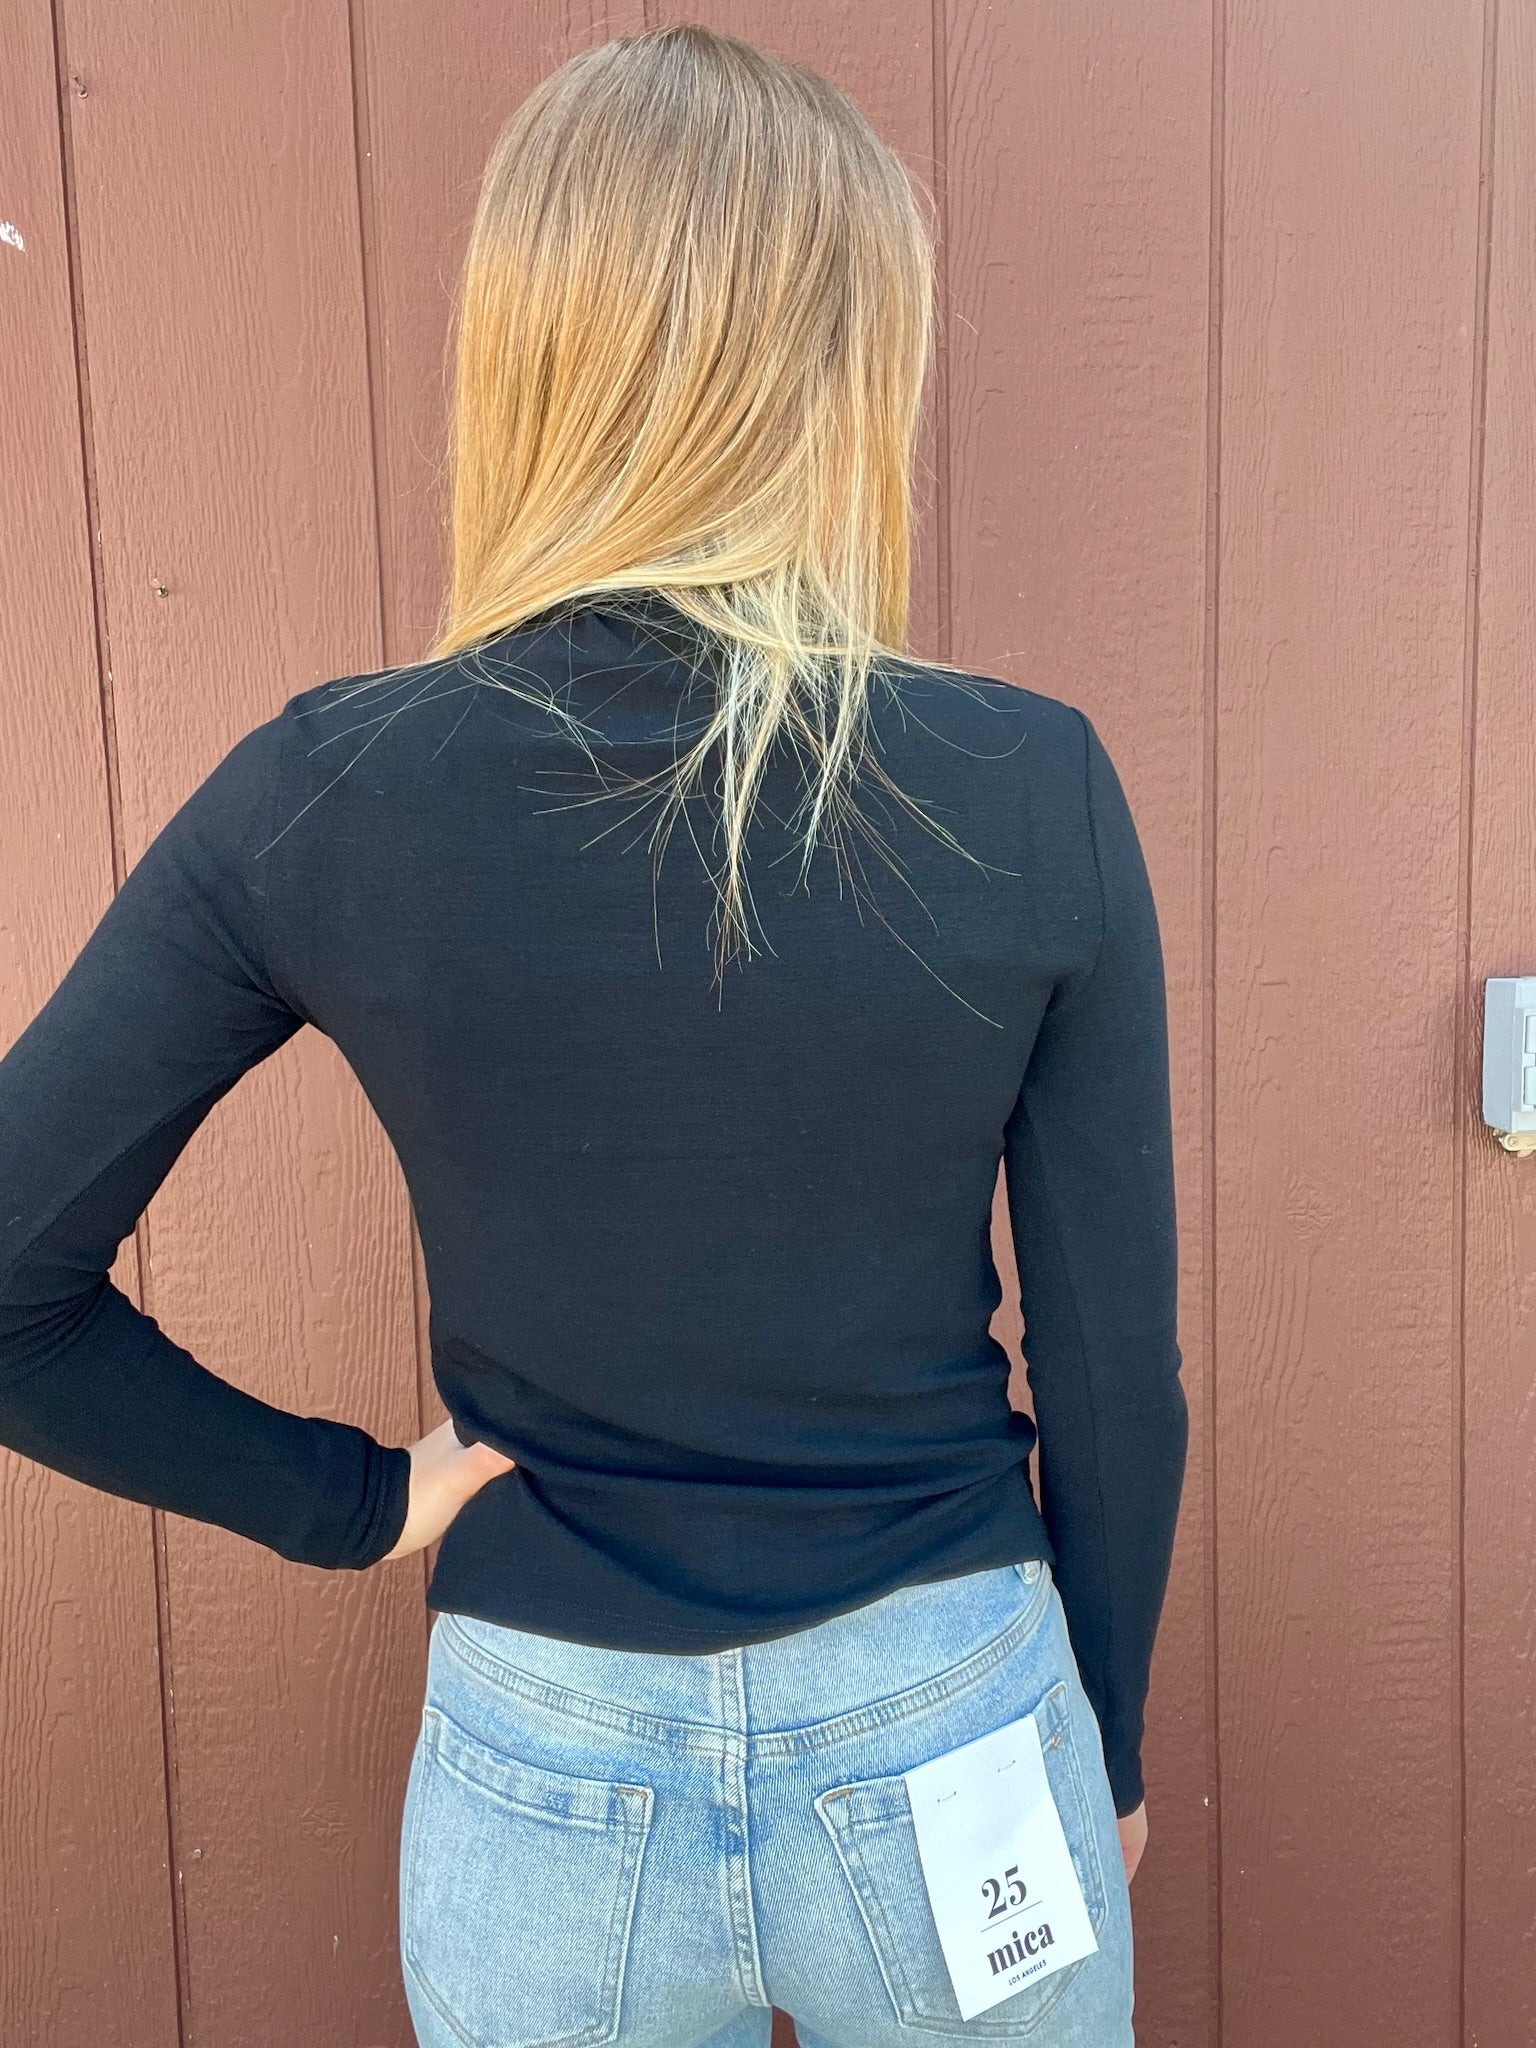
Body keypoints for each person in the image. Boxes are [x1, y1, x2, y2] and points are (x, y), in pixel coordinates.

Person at [0, 23, 1186, 2047]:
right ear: (848, 372)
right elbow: (1113, 1378)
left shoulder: (328, 793)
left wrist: (353, 1499)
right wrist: (1109, 1735)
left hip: (545, 1765)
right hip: (950, 1718)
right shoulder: (1025, 784)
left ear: (526, 360)